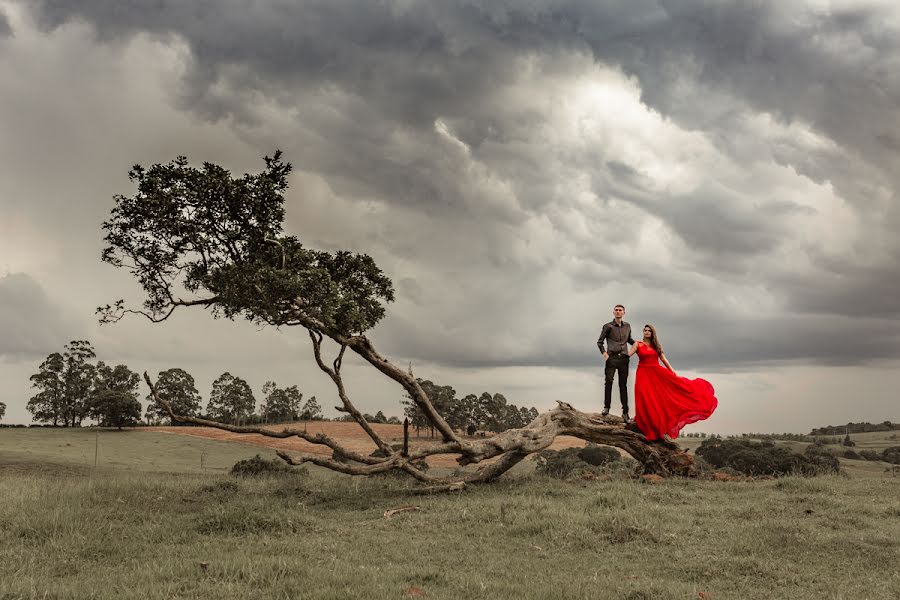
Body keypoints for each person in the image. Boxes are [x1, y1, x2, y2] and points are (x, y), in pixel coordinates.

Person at [627, 324, 717, 440]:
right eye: (645, 330)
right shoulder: (637, 344)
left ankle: (656, 424)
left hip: (657, 373)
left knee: (659, 397)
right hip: (643, 373)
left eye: (649, 330)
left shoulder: (656, 346)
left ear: (652, 333)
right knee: (644, 396)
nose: (647, 332)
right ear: (643, 332)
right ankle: (641, 419)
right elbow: (627, 355)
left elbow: (663, 359)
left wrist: (672, 371)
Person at [597, 304, 635, 422]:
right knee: (609, 381)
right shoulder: (607, 326)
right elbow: (600, 342)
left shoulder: (627, 326)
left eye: (620, 310)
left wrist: (637, 347)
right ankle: (606, 407)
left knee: (623, 385)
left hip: (624, 359)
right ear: (613, 312)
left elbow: (630, 340)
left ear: (624, 312)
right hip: (611, 358)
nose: (618, 312)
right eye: (616, 310)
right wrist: (604, 354)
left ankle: (625, 413)